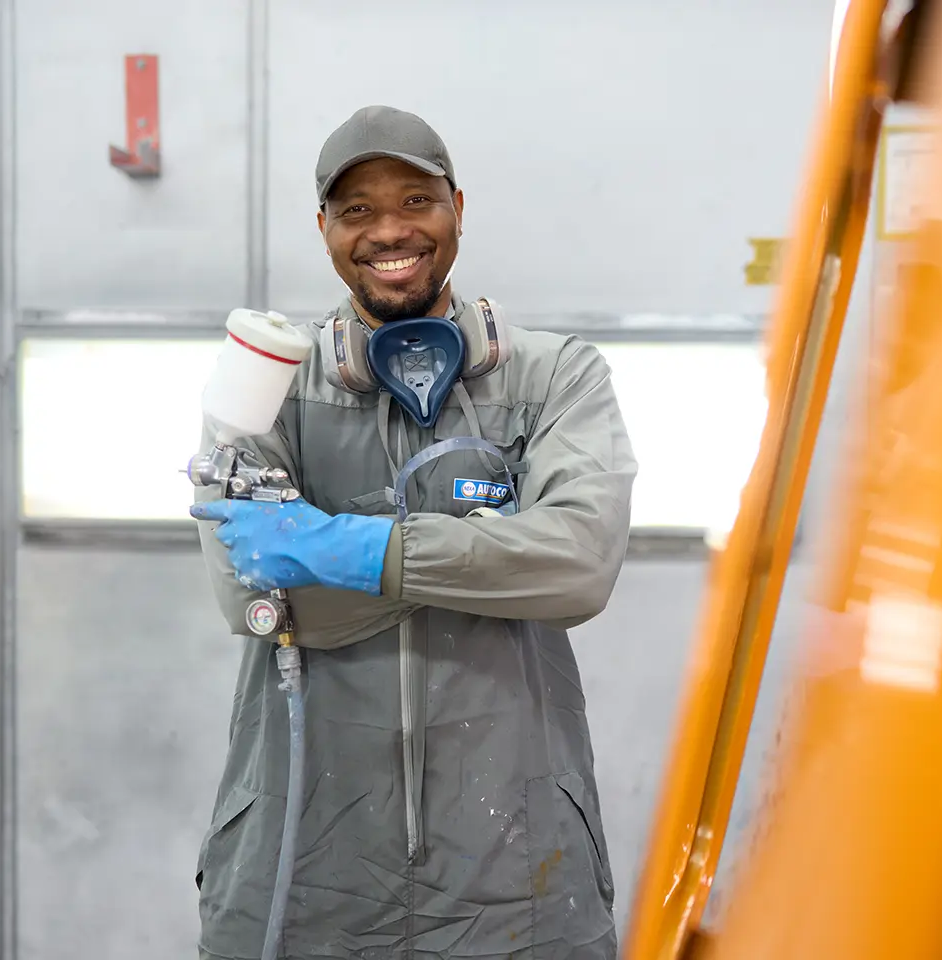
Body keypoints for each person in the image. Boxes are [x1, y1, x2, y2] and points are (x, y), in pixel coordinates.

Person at [188, 104, 637, 960]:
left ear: (458, 209)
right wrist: (494, 560)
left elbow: (578, 566)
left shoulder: (554, 377)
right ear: (324, 228)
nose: (389, 230)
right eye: (357, 210)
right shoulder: (266, 384)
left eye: (416, 201)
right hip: (304, 864)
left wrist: (349, 548)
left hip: (517, 874)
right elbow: (258, 601)